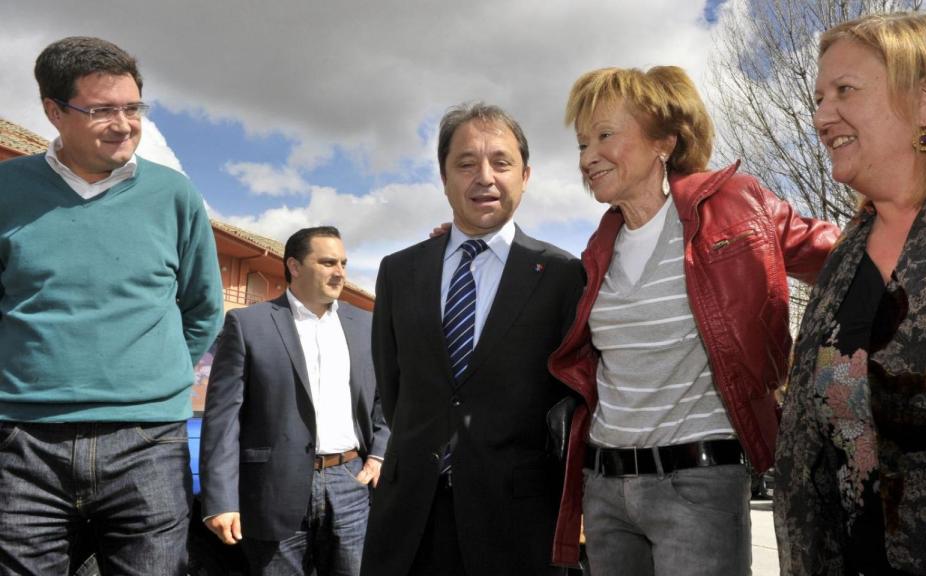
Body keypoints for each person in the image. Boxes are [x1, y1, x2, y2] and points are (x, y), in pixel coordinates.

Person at [548, 66, 839, 576]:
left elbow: (838, 256)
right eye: (581, 144)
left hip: (698, 485)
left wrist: (914, 218)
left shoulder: (733, 205)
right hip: (606, 490)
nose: (588, 156)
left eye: (604, 135)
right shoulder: (599, 246)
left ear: (663, 141)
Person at [773, 12, 926, 575]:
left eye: (844, 90)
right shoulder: (845, 257)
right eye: (818, 97)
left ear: (924, 101)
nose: (820, 116)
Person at [0, 37, 223, 574]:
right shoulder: (6, 189)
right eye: (102, 110)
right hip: (23, 444)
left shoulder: (175, 196)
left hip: (148, 441)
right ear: (54, 111)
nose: (124, 125)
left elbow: (202, 308)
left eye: (133, 108)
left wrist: (151, 378)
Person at [361, 102, 584, 576]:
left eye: (501, 162)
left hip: (516, 525)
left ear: (525, 175)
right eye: (466, 163)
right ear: (444, 178)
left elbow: (570, 398)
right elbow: (395, 387)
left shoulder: (563, 275)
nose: (484, 176)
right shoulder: (398, 272)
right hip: (409, 523)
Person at [200, 226, 389, 575]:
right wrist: (221, 500)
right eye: (328, 262)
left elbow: (386, 397)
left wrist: (378, 453)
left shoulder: (365, 324)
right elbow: (223, 418)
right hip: (271, 488)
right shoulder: (248, 324)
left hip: (349, 484)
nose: (340, 272)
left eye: (344, 263)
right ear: (295, 266)